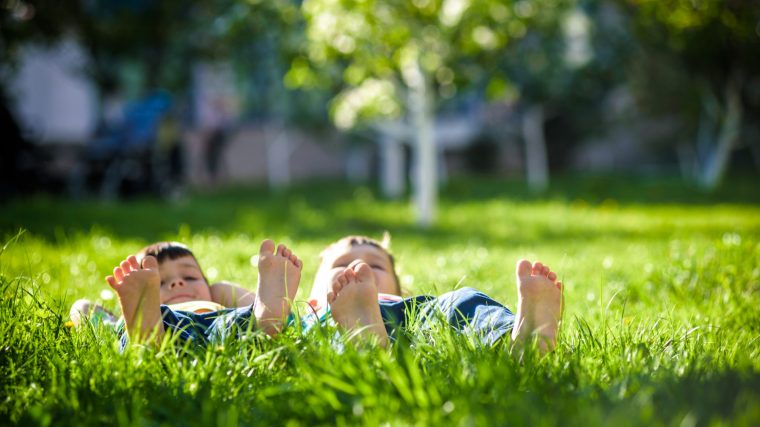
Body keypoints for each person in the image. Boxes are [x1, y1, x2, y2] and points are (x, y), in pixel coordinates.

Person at [308, 235, 564, 353]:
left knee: (463, 300)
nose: (358, 270)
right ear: (312, 299)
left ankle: (521, 336)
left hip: (408, 319)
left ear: (401, 291)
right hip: (337, 319)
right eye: (342, 266)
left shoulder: (412, 306)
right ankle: (363, 336)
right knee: (330, 329)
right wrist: (270, 307)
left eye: (375, 266)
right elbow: (272, 333)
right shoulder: (311, 315)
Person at [70, 240, 302, 345]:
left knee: (246, 320)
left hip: (219, 326)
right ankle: (146, 333)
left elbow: (250, 302)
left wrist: (218, 290)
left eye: (190, 277)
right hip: (162, 322)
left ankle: (267, 320)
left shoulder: (217, 299)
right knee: (132, 330)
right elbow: (84, 309)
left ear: (208, 286)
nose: (177, 284)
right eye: (159, 283)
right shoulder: (135, 315)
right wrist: (125, 313)